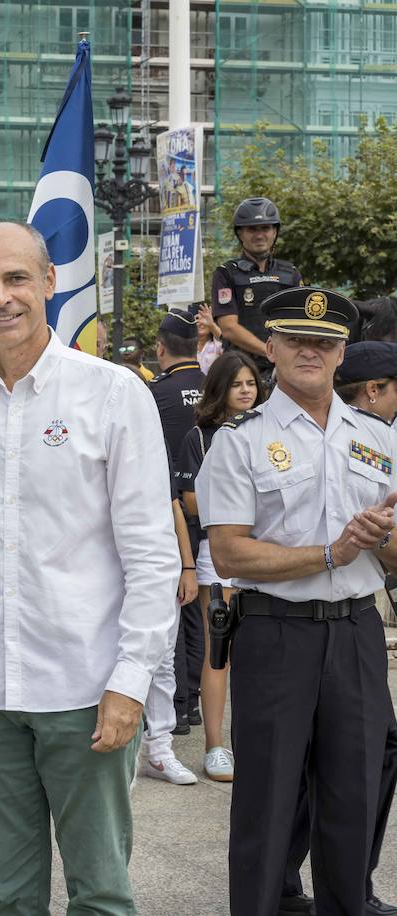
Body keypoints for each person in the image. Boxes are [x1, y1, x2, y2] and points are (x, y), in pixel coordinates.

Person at [0, 221, 179, 914]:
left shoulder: (114, 394)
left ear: (50, 282)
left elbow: (151, 553)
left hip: (86, 688)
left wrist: (131, 681)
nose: (2, 297)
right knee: (8, 898)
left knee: (101, 895)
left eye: (17, 278)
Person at [197, 286, 397, 916]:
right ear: (272, 348)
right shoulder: (240, 439)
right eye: (298, 340)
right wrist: (333, 552)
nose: (312, 351)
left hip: (358, 633)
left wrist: (382, 541)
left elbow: (392, 556)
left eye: (326, 342)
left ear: (342, 355)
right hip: (276, 634)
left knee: (355, 797)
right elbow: (230, 554)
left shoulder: (377, 437)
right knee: (268, 799)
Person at [326, 341, 397, 916]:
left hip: (348, 616)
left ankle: (333, 887)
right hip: (337, 616)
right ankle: (350, 889)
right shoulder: (369, 438)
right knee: (364, 756)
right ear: (373, 389)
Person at [175, 351, 265, 783]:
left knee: (263, 651)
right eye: (237, 384)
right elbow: (192, 502)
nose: (246, 390)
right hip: (219, 555)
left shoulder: (272, 429)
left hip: (269, 554)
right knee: (219, 654)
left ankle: (258, 740)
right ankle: (215, 745)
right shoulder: (200, 437)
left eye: (251, 383)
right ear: (220, 390)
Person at [148, 310, 207, 737]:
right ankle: (196, 702)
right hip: (219, 512)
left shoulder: (157, 393)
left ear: (160, 348)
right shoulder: (216, 385)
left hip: (171, 507)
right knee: (205, 612)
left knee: (178, 609)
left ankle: (180, 705)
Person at [210, 197, 303, 377]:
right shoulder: (226, 273)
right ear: (240, 233)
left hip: (283, 367)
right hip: (241, 369)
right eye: (252, 229)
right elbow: (228, 328)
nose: (259, 235)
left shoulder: (290, 273)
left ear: (275, 232)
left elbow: (299, 322)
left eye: (265, 228)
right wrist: (269, 352)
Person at [197, 301, 225, 373]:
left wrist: (211, 325)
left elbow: (224, 340)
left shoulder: (217, 345)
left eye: (205, 319)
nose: (201, 323)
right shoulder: (189, 348)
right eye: (197, 319)